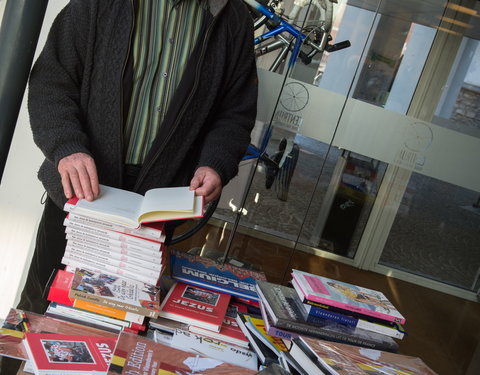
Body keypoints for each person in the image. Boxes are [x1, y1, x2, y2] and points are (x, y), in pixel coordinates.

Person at [18, 0, 257, 315]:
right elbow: (51, 83)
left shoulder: (233, 18)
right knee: (38, 309)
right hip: (79, 195)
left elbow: (234, 114)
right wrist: (67, 147)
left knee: (123, 319)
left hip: (158, 205)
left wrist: (215, 163)